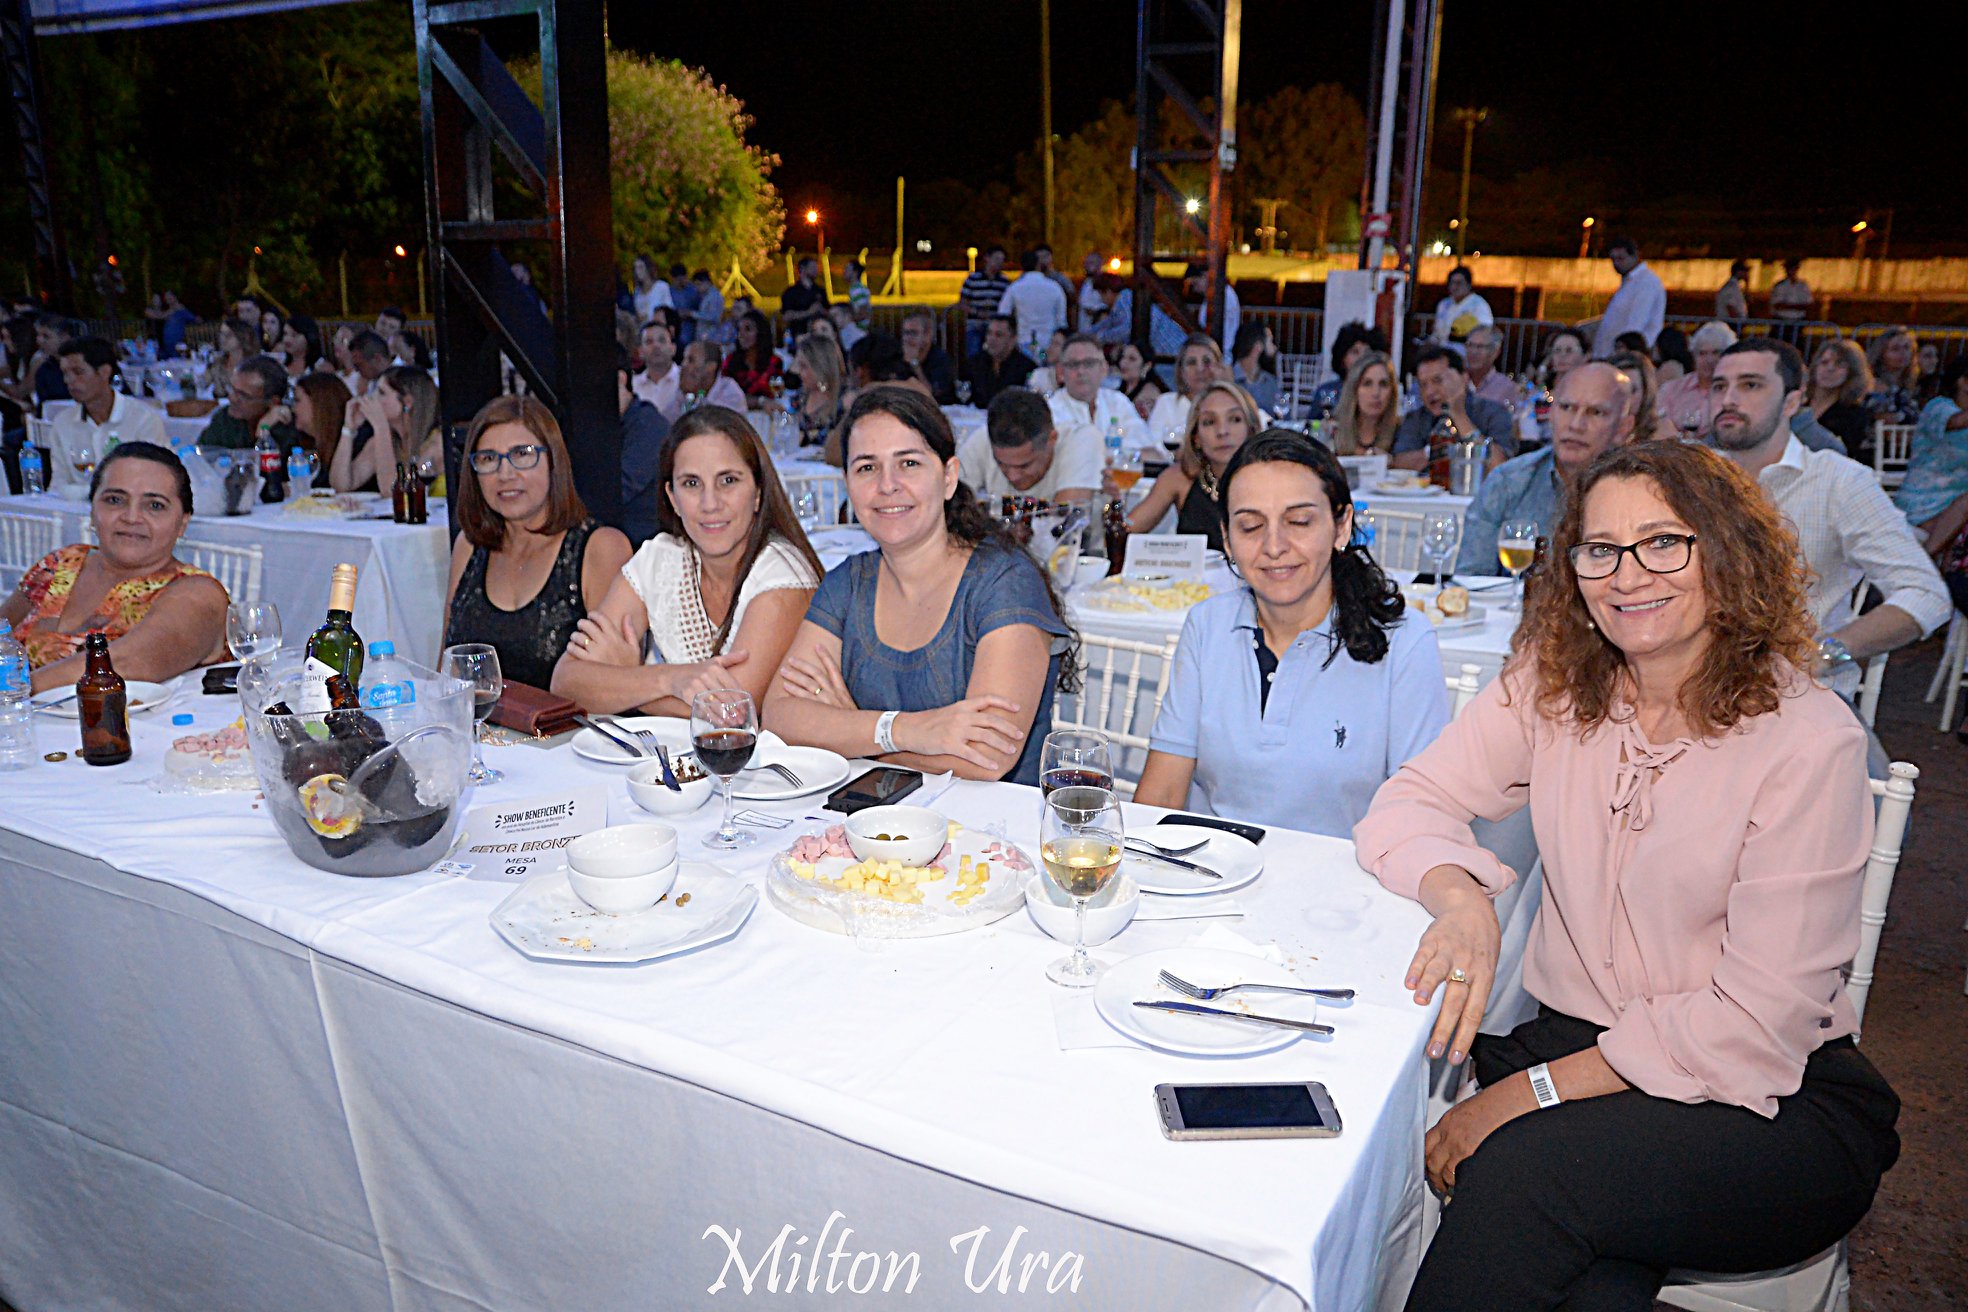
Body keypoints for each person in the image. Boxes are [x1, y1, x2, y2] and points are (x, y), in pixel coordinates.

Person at [1353, 439, 1901, 1312]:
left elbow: (1755, 1023)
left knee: (1525, 1172)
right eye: (1601, 550)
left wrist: (1521, 1097)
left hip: (1770, 1098)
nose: (1628, 575)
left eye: (1663, 542)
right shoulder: (1558, 686)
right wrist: (1461, 900)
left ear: (1727, 550)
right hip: (1582, 1059)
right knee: (1583, 1272)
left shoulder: (1807, 739)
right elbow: (1407, 803)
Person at [1135, 432, 1447, 836]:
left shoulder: (1403, 641)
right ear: (1226, 539)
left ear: (1341, 527)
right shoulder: (1208, 626)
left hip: (1348, 873)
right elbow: (1162, 793)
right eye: (1250, 526)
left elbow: (1419, 820)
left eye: (1299, 522)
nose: (1274, 546)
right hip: (1213, 866)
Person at [763, 387, 1076, 786]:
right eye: (867, 468)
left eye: (909, 463)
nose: (887, 485)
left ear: (948, 477)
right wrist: (904, 730)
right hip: (874, 814)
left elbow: (986, 758)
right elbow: (779, 716)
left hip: (991, 820)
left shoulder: (1004, 581)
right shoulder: (849, 582)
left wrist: (851, 728)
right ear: (848, 484)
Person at [1710, 337, 1950, 702]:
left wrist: (1824, 654)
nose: (1728, 399)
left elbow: (1926, 594)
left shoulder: (1838, 481)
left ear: (1792, 402)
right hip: (1695, 692)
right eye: (1719, 386)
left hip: (1797, 699)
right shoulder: (1689, 478)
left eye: (1750, 385)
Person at [553, 404, 819, 715]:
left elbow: (731, 712)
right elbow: (565, 682)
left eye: (728, 480)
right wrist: (669, 679)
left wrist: (627, 678)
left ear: (758, 492)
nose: (710, 503)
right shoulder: (660, 559)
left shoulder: (784, 574)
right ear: (673, 498)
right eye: (691, 483)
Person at [2, 441, 227, 690]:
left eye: (155, 505)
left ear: (183, 523)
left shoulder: (199, 593)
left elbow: (124, 663)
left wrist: (11, 691)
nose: (131, 517)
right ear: (92, 510)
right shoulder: (60, 564)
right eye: (115, 500)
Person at [443, 395, 632, 691]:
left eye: (522, 454)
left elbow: (617, 683)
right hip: (476, 720)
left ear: (553, 461)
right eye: (488, 459)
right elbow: (446, 672)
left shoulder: (599, 548)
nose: (505, 474)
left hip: (573, 722)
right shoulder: (469, 546)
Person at [1455, 361, 1637, 574]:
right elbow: (1470, 577)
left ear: (1623, 428)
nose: (1576, 425)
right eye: (1566, 408)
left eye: (1595, 412)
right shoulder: (1509, 481)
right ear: (1551, 414)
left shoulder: (1639, 493)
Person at [1129, 381, 1261, 550]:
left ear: (1251, 429)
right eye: (1209, 422)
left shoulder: (1272, 481)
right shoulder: (1180, 477)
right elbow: (1125, 530)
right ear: (1196, 437)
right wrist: (1114, 503)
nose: (1222, 431)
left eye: (1235, 419)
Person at [45, 337, 167, 496]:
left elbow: (156, 479)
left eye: (78, 372)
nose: (69, 380)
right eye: (65, 373)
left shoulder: (143, 419)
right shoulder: (63, 422)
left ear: (104, 372)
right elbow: (58, 485)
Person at [959, 387, 1102, 505]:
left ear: (1052, 440)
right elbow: (952, 502)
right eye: (1001, 464)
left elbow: (1066, 521)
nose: (1013, 476)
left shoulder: (1082, 439)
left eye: (1024, 466)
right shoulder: (982, 438)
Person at [1391, 347, 1516, 472]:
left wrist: (1459, 415)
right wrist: (1439, 451)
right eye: (1423, 385)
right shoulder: (1417, 417)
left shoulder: (1493, 413)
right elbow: (1399, 461)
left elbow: (1501, 467)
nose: (1429, 392)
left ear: (1464, 377)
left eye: (1437, 380)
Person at [1894, 355, 1968, 553]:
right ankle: (1925, 562)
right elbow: (1957, 422)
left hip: (1955, 512)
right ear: (1962, 381)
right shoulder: (1938, 407)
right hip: (1924, 507)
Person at [331, 365, 441, 494]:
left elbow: (393, 491)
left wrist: (380, 426)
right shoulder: (381, 442)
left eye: (382, 393)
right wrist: (348, 429)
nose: (373, 399)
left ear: (407, 401)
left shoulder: (436, 442)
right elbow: (341, 484)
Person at [1048, 333, 1148, 456]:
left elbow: (1147, 448)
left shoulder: (1118, 402)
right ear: (1061, 372)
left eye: (1089, 363)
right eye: (1073, 364)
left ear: (1104, 369)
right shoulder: (1050, 410)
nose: (1081, 371)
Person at [616, 348, 671, 548]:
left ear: (620, 379)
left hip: (643, 546)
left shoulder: (648, 425)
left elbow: (621, 488)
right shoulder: (607, 426)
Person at [194, 355, 299, 452]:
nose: (232, 398)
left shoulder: (289, 426)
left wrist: (263, 431)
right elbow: (199, 455)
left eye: (243, 395)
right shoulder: (225, 418)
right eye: (232, 389)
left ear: (273, 402)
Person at [1654, 320, 1736, 438]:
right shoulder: (1671, 389)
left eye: (1716, 353)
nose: (1709, 360)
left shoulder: (1735, 392)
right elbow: (1658, 426)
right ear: (1694, 356)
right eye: (1702, 353)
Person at [1145, 333, 1225, 452]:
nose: (1200, 369)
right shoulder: (1167, 403)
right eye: (1192, 363)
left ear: (1219, 367)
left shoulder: (1231, 405)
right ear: (1181, 371)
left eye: (1207, 361)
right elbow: (1153, 447)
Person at [1589, 237, 1665, 357]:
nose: (1616, 264)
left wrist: (1623, 351)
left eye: (1620, 258)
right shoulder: (1629, 282)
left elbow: (1637, 322)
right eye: (1613, 259)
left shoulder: (1646, 282)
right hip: (1613, 353)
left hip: (1625, 354)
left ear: (1635, 256)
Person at [1802, 339, 1875, 460]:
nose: (1830, 368)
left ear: (1852, 372)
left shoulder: (1854, 414)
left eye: (1840, 365)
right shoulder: (1798, 405)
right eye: (1824, 362)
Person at [1305, 321, 1389, 420]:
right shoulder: (1327, 392)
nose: (1362, 357)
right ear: (1342, 358)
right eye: (1355, 352)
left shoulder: (1378, 392)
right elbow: (1311, 424)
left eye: (1367, 352)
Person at [1327, 351, 1401, 457]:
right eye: (1367, 384)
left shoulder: (1402, 433)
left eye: (1383, 384)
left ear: (1392, 392)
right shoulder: (1333, 430)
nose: (1376, 393)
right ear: (1354, 389)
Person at [997, 249, 1070, 350]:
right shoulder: (1055, 287)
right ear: (1038, 265)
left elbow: (1003, 314)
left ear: (1021, 266)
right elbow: (1061, 320)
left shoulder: (1015, 288)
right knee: (1044, 359)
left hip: (1023, 341)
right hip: (1048, 343)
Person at [789, 334, 846, 455]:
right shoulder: (799, 399)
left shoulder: (842, 402)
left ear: (819, 367)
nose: (799, 372)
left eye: (804, 366)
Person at [963, 314, 1035, 410]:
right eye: (989, 333)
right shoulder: (974, 363)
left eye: (998, 335)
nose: (991, 339)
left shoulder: (1027, 368)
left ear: (1013, 339)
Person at [288, 372, 351, 476]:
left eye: (297, 400)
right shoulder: (304, 444)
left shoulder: (351, 443)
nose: (293, 409)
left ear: (318, 404)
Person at [1862, 327, 1923, 425]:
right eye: (1895, 349)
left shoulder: (1911, 384)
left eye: (1906, 347)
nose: (1903, 353)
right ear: (1881, 353)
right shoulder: (1873, 384)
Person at [959, 245, 1012, 358]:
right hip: (975, 325)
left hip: (995, 326)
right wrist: (977, 313)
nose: (999, 263)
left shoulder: (1004, 282)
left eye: (1002, 260)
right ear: (987, 258)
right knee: (974, 355)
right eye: (996, 259)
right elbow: (963, 303)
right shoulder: (972, 279)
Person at [676, 339, 750, 415]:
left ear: (711, 367)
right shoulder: (686, 389)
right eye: (684, 359)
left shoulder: (730, 393)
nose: (683, 365)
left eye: (691, 360)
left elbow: (706, 421)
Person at [1432, 266, 1494, 354]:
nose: (1454, 286)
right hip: (1442, 351)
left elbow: (1485, 331)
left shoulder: (1479, 305)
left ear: (1468, 285)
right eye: (1452, 282)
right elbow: (1437, 331)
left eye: (1459, 283)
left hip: (1466, 353)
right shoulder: (1444, 304)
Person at [899, 309, 957, 404]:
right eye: (905, 333)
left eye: (913, 333)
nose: (907, 338)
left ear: (927, 335)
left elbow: (931, 395)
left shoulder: (941, 359)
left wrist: (915, 364)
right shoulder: (897, 355)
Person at [723, 309, 782, 401]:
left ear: (760, 332)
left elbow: (777, 394)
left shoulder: (774, 362)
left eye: (748, 329)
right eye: (739, 330)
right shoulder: (730, 361)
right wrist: (759, 401)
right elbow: (725, 394)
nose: (741, 335)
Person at [1183, 261, 1241, 353]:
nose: (1195, 289)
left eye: (1196, 283)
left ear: (1206, 275)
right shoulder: (1218, 295)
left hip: (1220, 351)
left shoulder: (1222, 296)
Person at [633, 314, 682, 416]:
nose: (656, 346)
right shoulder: (633, 385)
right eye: (649, 342)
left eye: (662, 340)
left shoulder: (685, 380)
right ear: (640, 352)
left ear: (673, 348)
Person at [1462, 325, 1518, 408]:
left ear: (1495, 352)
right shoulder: (1455, 380)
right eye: (1470, 345)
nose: (1473, 352)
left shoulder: (1505, 386)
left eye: (1480, 347)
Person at [1230, 323, 1280, 416]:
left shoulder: (1270, 382)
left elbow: (1282, 416)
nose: (1275, 347)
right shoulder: (1228, 379)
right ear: (1258, 346)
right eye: (1270, 341)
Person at [778, 256, 829, 342]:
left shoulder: (820, 290)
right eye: (812, 267)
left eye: (816, 267)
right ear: (802, 269)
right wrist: (808, 312)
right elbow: (786, 316)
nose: (816, 270)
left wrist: (821, 310)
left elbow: (829, 311)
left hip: (819, 333)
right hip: (798, 333)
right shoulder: (791, 292)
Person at [1113, 341, 1163, 418]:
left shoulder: (1149, 395)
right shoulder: (1121, 390)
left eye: (1132, 359)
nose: (1123, 362)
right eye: (1122, 357)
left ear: (1147, 366)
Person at [343, 329, 391, 398]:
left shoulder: (401, 385)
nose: (356, 370)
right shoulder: (371, 383)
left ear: (377, 359)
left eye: (358, 365)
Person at [279, 315, 326, 381]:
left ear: (310, 337)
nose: (287, 339)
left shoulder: (322, 367)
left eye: (294, 335)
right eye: (285, 334)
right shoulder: (280, 364)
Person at [154, 290, 197, 357]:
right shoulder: (167, 312)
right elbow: (159, 316)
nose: (167, 298)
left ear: (175, 297)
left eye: (169, 296)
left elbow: (194, 319)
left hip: (176, 345)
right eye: (166, 297)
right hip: (165, 346)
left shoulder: (181, 310)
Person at [1770, 258, 1813, 324]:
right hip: (1781, 320)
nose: (1792, 271)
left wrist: (1788, 306)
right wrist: (1798, 307)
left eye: (1794, 268)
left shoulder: (1803, 286)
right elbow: (1777, 305)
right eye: (1790, 269)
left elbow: (1808, 305)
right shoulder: (1780, 286)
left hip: (1798, 320)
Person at [668, 262, 700, 344]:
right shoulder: (669, 292)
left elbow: (700, 310)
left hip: (691, 329)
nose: (679, 282)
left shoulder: (693, 290)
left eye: (681, 279)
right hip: (674, 329)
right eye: (677, 280)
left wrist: (689, 313)